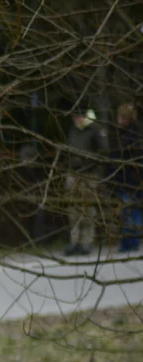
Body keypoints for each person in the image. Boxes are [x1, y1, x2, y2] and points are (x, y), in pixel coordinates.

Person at [63, 107, 109, 256]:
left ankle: (87, 242)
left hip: (89, 175)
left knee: (88, 208)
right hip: (73, 173)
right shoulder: (74, 129)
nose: (75, 120)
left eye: (77, 116)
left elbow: (103, 151)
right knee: (73, 209)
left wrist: (88, 162)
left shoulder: (94, 129)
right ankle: (74, 241)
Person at [111, 103, 141, 254]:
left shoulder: (132, 136)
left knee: (132, 212)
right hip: (124, 180)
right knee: (125, 212)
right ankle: (127, 241)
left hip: (131, 181)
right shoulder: (122, 134)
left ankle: (132, 241)